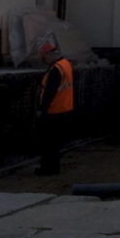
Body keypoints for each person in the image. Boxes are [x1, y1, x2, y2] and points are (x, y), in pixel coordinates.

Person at [35, 41, 75, 174]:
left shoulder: (56, 69)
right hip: (65, 109)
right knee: (54, 144)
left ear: (49, 54)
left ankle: (47, 169)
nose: (44, 62)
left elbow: (49, 92)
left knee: (48, 144)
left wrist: (41, 110)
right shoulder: (66, 65)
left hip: (54, 111)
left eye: (44, 59)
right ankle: (53, 168)